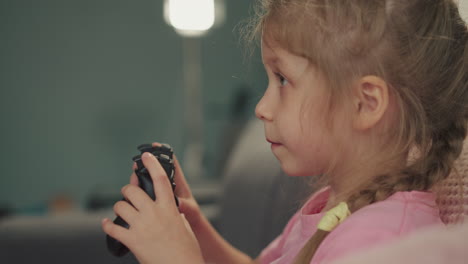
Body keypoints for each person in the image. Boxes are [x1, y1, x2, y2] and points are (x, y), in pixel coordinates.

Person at [101, 0, 468, 263]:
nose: (261, 108)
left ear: (365, 103)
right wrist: (194, 225)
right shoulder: (334, 206)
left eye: (283, 79)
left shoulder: (382, 243)